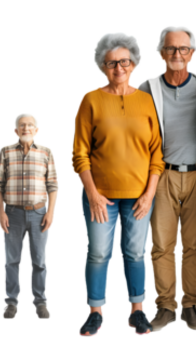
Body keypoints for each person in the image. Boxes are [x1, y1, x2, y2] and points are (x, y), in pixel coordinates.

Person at [72, 31, 163, 337]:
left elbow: (156, 153)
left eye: (124, 61)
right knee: (99, 252)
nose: (119, 68)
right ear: (102, 65)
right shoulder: (91, 100)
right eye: (112, 63)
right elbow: (79, 153)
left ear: (134, 63)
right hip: (101, 196)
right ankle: (96, 312)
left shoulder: (146, 101)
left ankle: (138, 311)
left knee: (136, 252)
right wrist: (94, 195)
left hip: (139, 195)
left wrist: (150, 194)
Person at [136, 24, 196, 333]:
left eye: (183, 49)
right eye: (170, 48)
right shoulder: (146, 88)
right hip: (161, 175)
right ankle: (166, 306)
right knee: (162, 244)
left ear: (192, 53)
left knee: (195, 244)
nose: (176, 54)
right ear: (160, 52)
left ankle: (192, 305)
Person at [0, 112, 59, 321]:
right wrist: (1, 212)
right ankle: (11, 302)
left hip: (40, 213)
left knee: (39, 260)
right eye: (22, 125)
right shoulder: (4, 151)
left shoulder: (47, 152)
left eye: (30, 125)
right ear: (15, 131)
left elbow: (53, 185)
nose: (26, 128)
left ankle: (40, 302)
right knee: (12, 260)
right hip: (12, 213)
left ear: (37, 131)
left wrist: (51, 212)